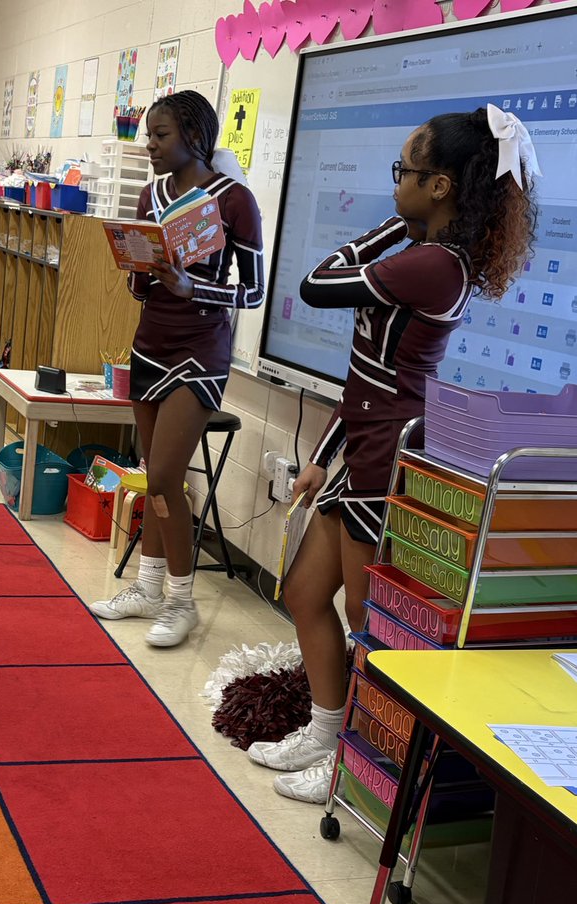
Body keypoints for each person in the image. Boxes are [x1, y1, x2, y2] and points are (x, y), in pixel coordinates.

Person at [248, 105, 539, 803]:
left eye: (403, 172)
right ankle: (323, 726)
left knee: (366, 628)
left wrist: (388, 226)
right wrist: (321, 454)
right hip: (364, 450)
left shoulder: (435, 265)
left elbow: (317, 284)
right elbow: (366, 380)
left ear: (438, 186)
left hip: (388, 465)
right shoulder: (429, 257)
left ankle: (354, 763)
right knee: (304, 593)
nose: (395, 183)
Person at [90, 90, 265, 648]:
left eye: (160, 136)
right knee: (151, 475)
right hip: (149, 345)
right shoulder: (150, 194)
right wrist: (137, 267)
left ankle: (181, 601)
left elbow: (255, 289)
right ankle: (146, 588)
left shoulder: (235, 200)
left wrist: (196, 286)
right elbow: (143, 285)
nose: (150, 148)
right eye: (149, 137)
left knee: (166, 477)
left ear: (194, 136)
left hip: (201, 353)